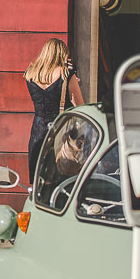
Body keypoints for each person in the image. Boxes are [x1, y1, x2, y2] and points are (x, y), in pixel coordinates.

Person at [25, 38, 84, 180]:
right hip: (60, 130)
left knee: (40, 178)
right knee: (61, 174)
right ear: (61, 55)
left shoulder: (30, 74)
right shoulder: (66, 74)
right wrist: (74, 82)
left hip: (38, 130)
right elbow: (80, 105)